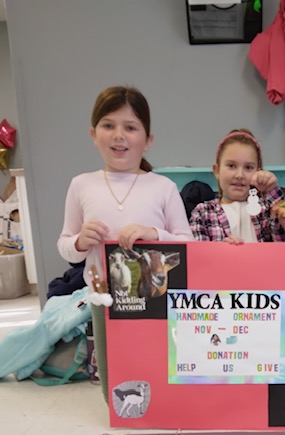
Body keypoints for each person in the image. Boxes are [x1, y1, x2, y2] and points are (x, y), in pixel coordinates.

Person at [57, 86, 193, 402]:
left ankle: (162, 405)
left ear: (148, 140)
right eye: (108, 125)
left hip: (157, 297)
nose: (119, 135)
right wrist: (79, 242)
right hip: (104, 296)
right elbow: (64, 244)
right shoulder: (81, 185)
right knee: (112, 366)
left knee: (158, 358)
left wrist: (155, 233)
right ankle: (118, 410)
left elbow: (188, 242)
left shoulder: (163, 187)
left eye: (130, 127)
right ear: (93, 134)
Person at [189, 129, 285, 243]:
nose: (240, 175)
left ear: (258, 172)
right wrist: (221, 252)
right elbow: (197, 257)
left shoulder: (266, 210)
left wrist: (271, 190)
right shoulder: (202, 213)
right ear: (217, 170)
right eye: (231, 165)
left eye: (248, 167)